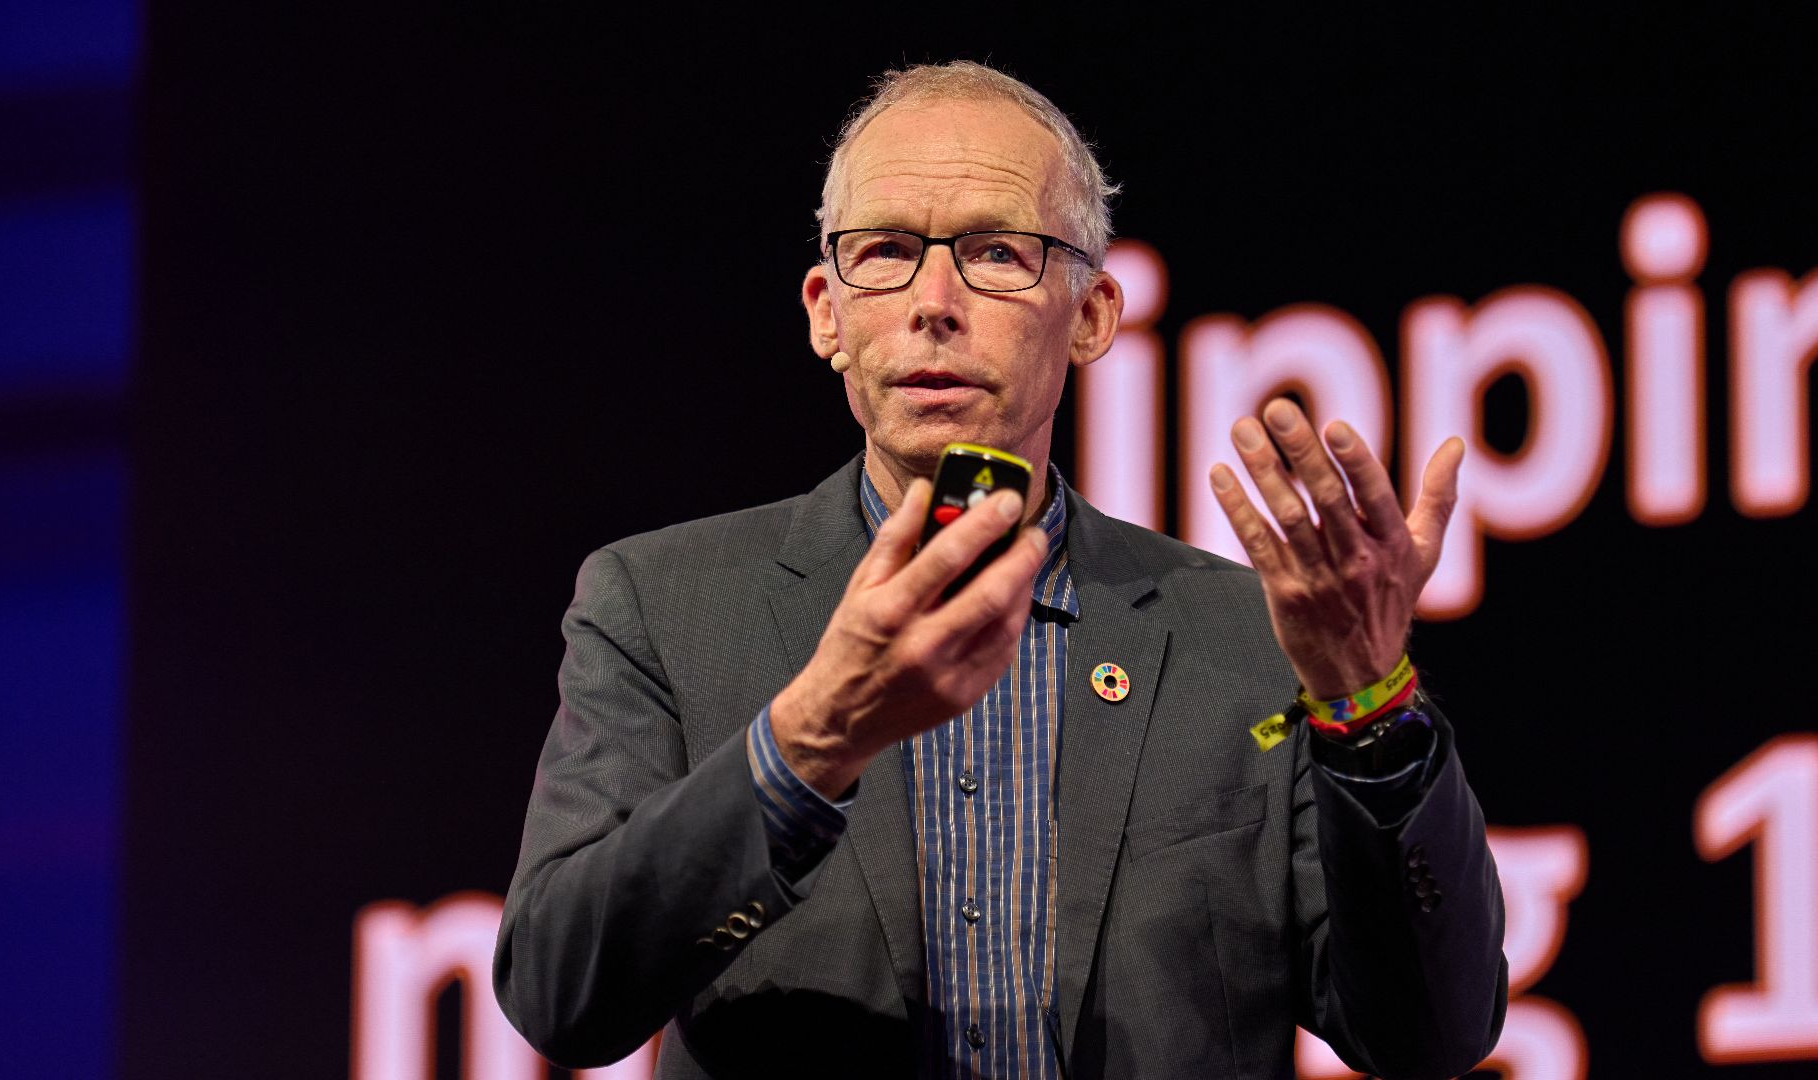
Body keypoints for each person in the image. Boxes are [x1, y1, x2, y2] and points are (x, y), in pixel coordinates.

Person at [494, 61, 1505, 1080]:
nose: (934, 303)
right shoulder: (663, 606)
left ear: (1092, 315)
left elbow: (1432, 1036)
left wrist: (1370, 704)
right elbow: (558, 994)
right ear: (826, 311)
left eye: (994, 253)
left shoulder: (1254, 639)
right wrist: (809, 742)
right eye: (886, 252)